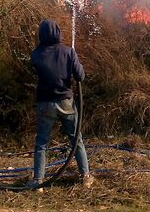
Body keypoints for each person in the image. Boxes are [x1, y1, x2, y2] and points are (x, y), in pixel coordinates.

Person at [29, 20, 93, 190]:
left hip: (45, 104)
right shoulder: (68, 52)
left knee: (42, 142)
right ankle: (85, 177)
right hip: (66, 103)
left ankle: (38, 182)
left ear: (41, 34)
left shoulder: (35, 54)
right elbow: (80, 76)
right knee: (75, 139)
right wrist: (74, 60)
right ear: (58, 33)